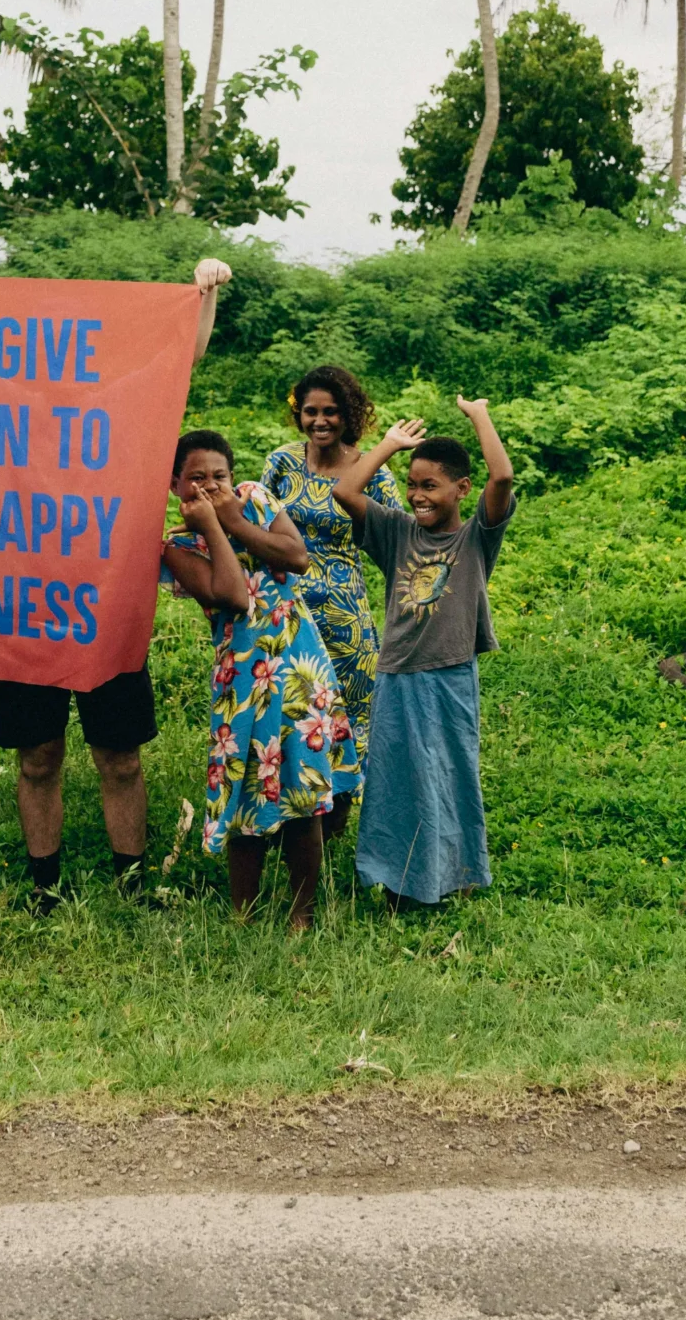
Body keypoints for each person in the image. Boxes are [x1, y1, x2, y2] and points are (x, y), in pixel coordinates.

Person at [0, 256, 233, 913]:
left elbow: (181, 360)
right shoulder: (5, 424)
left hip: (106, 612)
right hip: (25, 614)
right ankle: (45, 883)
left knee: (118, 757)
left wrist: (201, 294)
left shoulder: (124, 424)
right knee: (36, 757)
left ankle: (130, 880)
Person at [162, 430, 359, 929]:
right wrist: (211, 527)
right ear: (174, 484)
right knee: (245, 792)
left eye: (219, 477)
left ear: (234, 475)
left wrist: (232, 521)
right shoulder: (178, 546)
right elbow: (232, 596)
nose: (209, 487)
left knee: (303, 794)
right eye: (196, 479)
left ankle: (302, 915)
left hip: (297, 667)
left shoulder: (255, 499)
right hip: (241, 682)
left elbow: (295, 557)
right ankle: (243, 914)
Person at [331, 403, 516, 910]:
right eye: (412, 485)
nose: (417, 496)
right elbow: (345, 491)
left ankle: (453, 874)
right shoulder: (397, 531)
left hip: (451, 674)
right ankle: (397, 881)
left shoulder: (476, 536)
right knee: (395, 779)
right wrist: (388, 446)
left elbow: (502, 475)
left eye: (430, 486)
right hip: (395, 675)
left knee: (451, 773)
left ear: (461, 489)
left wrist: (479, 415)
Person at [261, 364, 406, 810]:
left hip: (346, 625)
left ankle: (333, 823)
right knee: (288, 717)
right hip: (285, 616)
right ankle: (288, 815)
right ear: (298, 415)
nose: (320, 421)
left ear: (350, 416)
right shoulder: (282, 462)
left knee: (345, 724)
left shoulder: (371, 471)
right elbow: (254, 524)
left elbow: (403, 539)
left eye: (331, 412)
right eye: (310, 412)